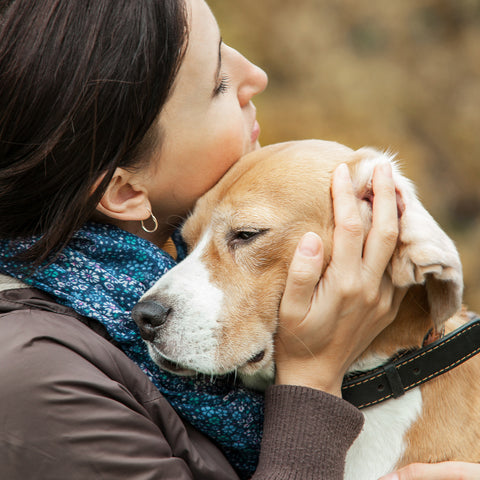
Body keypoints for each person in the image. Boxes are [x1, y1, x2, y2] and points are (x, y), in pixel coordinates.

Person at [1, 0, 477, 478]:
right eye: (217, 83)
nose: (257, 75)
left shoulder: (113, 295)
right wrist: (312, 379)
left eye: (245, 234)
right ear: (125, 191)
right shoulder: (38, 378)